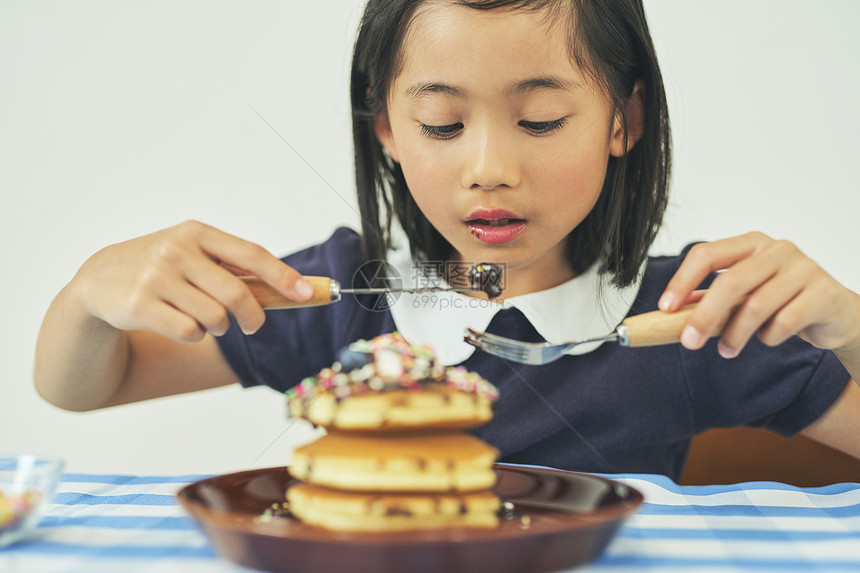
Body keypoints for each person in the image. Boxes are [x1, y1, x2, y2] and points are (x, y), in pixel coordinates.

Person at [34, 0, 860, 482]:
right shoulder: (337, 301)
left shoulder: (693, 316)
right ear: (387, 126)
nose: (489, 168)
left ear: (625, 119)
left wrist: (850, 326)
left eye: (540, 119)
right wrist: (87, 299)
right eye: (443, 123)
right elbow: (88, 387)